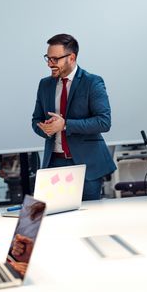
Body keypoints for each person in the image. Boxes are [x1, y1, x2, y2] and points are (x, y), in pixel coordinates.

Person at [32, 33, 116, 200]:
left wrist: (65, 125)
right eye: (48, 58)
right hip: (54, 163)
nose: (50, 64)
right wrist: (46, 128)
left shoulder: (92, 82)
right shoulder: (45, 85)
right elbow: (36, 120)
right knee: (55, 220)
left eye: (55, 59)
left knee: (89, 220)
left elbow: (103, 122)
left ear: (71, 57)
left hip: (87, 165)